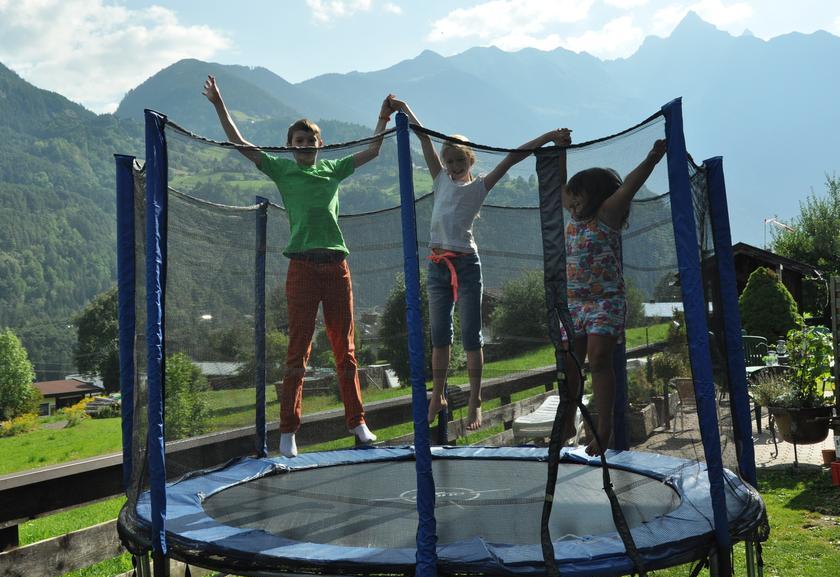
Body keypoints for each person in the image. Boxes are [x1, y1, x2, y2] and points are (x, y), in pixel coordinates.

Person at [204, 75, 395, 457]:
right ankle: (288, 430)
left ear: (319, 145)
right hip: (303, 268)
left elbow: (373, 152)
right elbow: (241, 144)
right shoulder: (281, 169)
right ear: (291, 147)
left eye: (311, 141)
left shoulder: (334, 169)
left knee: (346, 350)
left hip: (336, 264)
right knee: (298, 350)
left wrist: (382, 117)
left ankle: (357, 422)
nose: (305, 145)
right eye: (299, 141)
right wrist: (219, 105)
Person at [390, 97, 571, 430]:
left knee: (471, 336)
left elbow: (513, 158)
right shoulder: (440, 179)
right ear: (443, 163)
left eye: (461, 160)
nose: (455, 166)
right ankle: (438, 393)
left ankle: (475, 398)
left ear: (470, 161)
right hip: (437, 266)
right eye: (450, 160)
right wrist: (403, 107)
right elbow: (424, 137)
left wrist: (547, 136)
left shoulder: (480, 186)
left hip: (466, 266)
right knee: (440, 336)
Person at [562, 138, 667, 455]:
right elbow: (559, 186)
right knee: (570, 361)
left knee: (599, 358)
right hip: (575, 304)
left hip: (605, 302)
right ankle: (569, 417)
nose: (574, 206)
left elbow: (628, 187)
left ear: (595, 198)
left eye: (580, 200)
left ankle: (604, 428)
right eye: (573, 201)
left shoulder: (606, 215)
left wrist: (653, 156)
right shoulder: (574, 219)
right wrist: (558, 147)